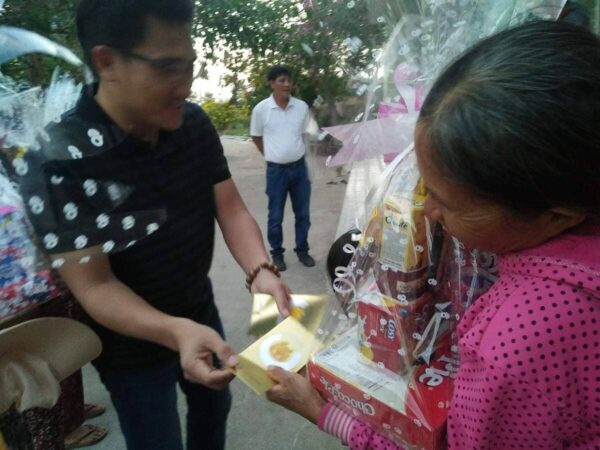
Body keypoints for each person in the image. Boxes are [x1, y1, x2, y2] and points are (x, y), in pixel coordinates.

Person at [266, 21, 600, 449]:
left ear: (556, 215)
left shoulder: (515, 337)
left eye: (448, 203)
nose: (428, 212)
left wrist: (323, 412)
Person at [18, 1, 292, 449]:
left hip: (199, 307)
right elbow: (95, 286)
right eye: (167, 68)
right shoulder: (58, 161)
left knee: (214, 409)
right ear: (106, 62)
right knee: (156, 439)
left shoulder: (192, 124)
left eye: (190, 66)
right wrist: (175, 331)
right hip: (130, 349)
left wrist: (261, 270)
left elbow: (230, 207)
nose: (186, 85)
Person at [250, 66, 315, 272]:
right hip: (276, 172)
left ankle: (302, 250)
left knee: (303, 214)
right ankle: (277, 254)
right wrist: (272, 156)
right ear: (271, 83)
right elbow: (256, 137)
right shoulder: (261, 109)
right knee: (275, 216)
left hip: (299, 170)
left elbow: (307, 134)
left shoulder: (301, 107)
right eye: (281, 80)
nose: (287, 84)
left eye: (289, 80)